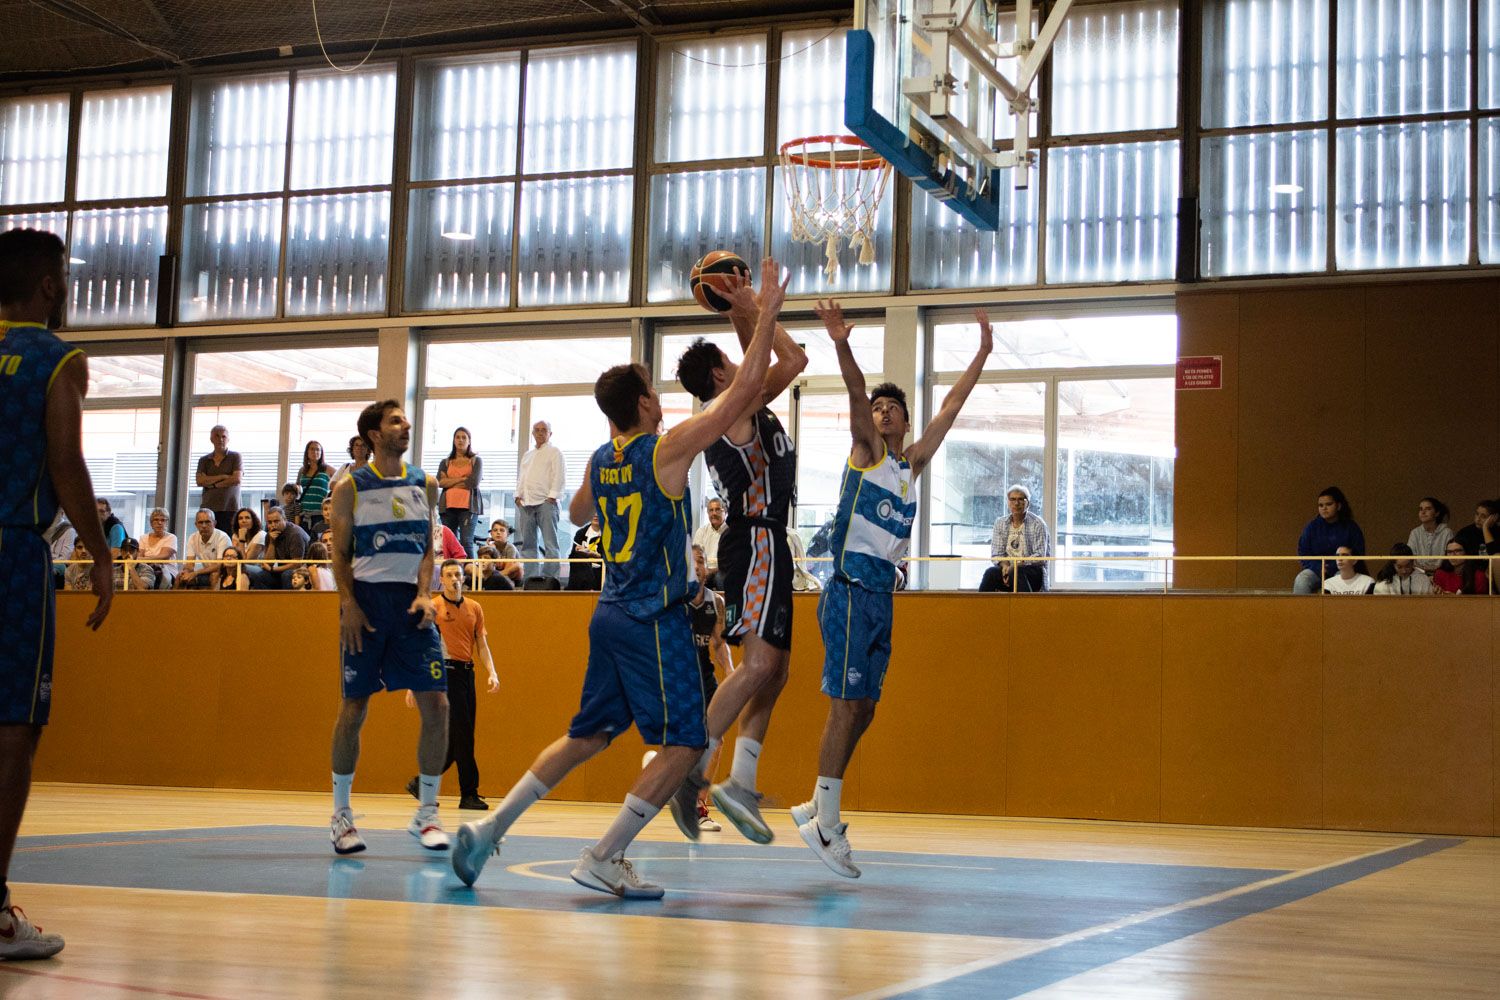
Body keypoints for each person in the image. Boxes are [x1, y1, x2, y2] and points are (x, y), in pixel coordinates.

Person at [452, 256, 785, 899]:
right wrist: (763, 312)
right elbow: (742, 396)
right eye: (655, 395)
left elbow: (578, 511)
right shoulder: (667, 448)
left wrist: (608, 470)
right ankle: (606, 854)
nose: (664, 402)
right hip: (650, 619)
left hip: (606, 614)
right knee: (686, 746)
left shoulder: (603, 458)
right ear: (641, 404)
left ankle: (491, 830)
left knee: (588, 735)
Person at [789, 299, 992, 880]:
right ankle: (827, 820)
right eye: (876, 408)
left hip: (884, 596)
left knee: (868, 708)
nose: (879, 412)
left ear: (905, 420)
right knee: (845, 705)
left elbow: (952, 405)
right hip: (850, 587)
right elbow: (855, 394)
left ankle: (816, 801)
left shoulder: (911, 464)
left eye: (890, 408)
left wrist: (980, 352)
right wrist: (842, 343)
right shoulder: (867, 453)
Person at [0, 227, 114, 960]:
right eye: (65, 276)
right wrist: (101, 555)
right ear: (49, 285)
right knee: (14, 729)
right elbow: (66, 463)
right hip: (11, 550)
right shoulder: (55, 358)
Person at [670, 266, 808, 846]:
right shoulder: (734, 406)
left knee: (774, 670)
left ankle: (738, 781)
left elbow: (790, 360)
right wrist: (759, 305)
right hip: (754, 540)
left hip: (766, 539)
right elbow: (786, 360)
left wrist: (739, 304)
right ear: (720, 374)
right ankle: (689, 770)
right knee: (756, 666)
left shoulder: (740, 399)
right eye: (731, 356)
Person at [328, 399, 450, 856]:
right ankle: (341, 816)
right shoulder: (350, 487)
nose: (406, 425)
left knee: (437, 705)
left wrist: (425, 592)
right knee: (354, 709)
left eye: (405, 419)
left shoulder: (426, 483)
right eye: (396, 421)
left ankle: (428, 813)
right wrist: (349, 605)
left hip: (412, 607)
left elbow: (426, 548)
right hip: (366, 606)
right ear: (374, 435)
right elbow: (338, 553)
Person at [406, 560, 499, 812]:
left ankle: (422, 784)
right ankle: (469, 793)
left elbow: (481, 644)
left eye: (458, 574)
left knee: (458, 738)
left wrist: (492, 672)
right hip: (445, 675)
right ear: (442, 580)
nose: (455, 578)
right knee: (463, 736)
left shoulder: (474, 607)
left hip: (467, 674)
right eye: (449, 575)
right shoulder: (434, 607)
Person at [686, 544, 732, 831]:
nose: (699, 566)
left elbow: (719, 644)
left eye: (702, 561)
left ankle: (699, 806)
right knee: (686, 743)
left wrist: (731, 672)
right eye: (693, 562)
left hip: (705, 676)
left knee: (716, 741)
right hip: (679, 678)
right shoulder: (673, 601)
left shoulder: (715, 602)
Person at [514, 420, 566, 579]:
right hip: (526, 503)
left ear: (550, 433)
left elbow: (559, 475)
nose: (540, 432)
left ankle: (551, 580)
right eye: (537, 430)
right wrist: (517, 495)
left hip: (546, 502)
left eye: (544, 430)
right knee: (528, 545)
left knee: (550, 544)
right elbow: (522, 477)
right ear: (532, 433)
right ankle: (531, 579)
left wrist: (552, 496)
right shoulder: (527, 455)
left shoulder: (555, 452)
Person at [1293, 487, 1365, 594]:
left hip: (1343, 570)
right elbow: (1303, 552)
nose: (1324, 508)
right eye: (1320, 505)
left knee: (1339, 581)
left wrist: (1338, 566)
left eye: (1328, 504)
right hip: (1317, 570)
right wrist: (1318, 567)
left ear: (1339, 506)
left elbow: (1358, 552)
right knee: (1302, 579)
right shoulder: (1312, 527)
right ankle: (1302, 610)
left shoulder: (1351, 527)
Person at [979, 485, 1050, 593]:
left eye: (1021, 499)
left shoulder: (1038, 524)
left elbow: (1040, 556)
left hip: (1031, 572)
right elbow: (996, 554)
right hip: (1008, 568)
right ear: (1008, 502)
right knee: (990, 573)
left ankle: (1025, 608)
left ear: (1028, 503)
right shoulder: (1000, 523)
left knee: (1017, 572)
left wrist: (1016, 565)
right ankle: (980, 608)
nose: (1016, 503)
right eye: (1013, 499)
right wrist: (1005, 567)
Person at [437, 427, 483, 558]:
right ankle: (449, 572)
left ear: (469, 441)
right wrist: (463, 478)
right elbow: (440, 482)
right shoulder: (445, 462)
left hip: (468, 507)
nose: (460, 440)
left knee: (466, 541)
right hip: (447, 507)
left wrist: (450, 480)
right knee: (448, 542)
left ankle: (469, 575)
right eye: (457, 437)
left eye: (464, 437)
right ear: (453, 440)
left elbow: (473, 482)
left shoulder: (476, 460)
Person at [244, 506, 309, 589]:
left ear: (284, 519)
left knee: (287, 574)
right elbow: (268, 563)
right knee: (259, 575)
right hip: (281, 569)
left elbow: (296, 564)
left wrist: (273, 569)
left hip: (302, 570)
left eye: (276, 521)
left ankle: (286, 601)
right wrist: (272, 542)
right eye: (270, 522)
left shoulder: (295, 534)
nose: (273, 525)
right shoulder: (270, 535)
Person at [195, 425, 243, 534]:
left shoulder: (235, 456)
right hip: (208, 508)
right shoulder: (204, 460)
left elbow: (236, 479)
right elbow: (200, 481)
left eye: (223, 436)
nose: (220, 439)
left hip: (230, 507)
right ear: (211, 439)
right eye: (217, 436)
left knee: (229, 541)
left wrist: (213, 484)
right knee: (208, 539)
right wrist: (223, 476)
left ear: (228, 439)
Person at [176, 509, 231, 589]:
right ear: (196, 525)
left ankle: (213, 601)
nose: (204, 526)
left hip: (224, 572)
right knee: (180, 576)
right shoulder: (192, 538)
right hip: (206, 572)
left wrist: (196, 573)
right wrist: (186, 571)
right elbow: (190, 564)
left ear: (214, 523)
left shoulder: (223, 537)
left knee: (215, 575)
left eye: (207, 522)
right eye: (201, 522)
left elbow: (219, 565)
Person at [1405, 497, 1452, 573]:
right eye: (1421, 509)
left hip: (1441, 573)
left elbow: (1449, 558)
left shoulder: (1446, 532)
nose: (1423, 512)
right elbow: (1410, 557)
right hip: (1418, 573)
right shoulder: (1415, 533)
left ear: (1437, 513)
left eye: (1428, 509)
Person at [137, 508, 178, 590]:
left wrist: (143, 559)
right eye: (156, 520)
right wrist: (141, 559)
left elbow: (163, 557)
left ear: (167, 523)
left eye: (163, 520)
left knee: (156, 574)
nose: (159, 523)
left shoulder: (171, 537)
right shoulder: (143, 538)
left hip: (166, 570)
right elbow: (139, 556)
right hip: (146, 569)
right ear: (151, 523)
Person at [297, 443, 333, 532]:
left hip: (320, 515)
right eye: (312, 449)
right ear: (307, 452)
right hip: (303, 515)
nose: (315, 452)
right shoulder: (302, 470)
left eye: (318, 449)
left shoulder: (327, 469)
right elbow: (297, 490)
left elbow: (341, 484)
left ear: (321, 453)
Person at [692, 497, 727, 588]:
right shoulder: (701, 532)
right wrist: (703, 570)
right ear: (707, 513)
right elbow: (695, 556)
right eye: (711, 510)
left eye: (718, 509)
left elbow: (732, 562)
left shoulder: (731, 532)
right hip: (704, 570)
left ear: (725, 512)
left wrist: (712, 570)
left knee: (720, 578)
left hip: (722, 571)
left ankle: (723, 602)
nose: (714, 513)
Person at [566, 513, 603, 591]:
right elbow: (572, 557)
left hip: (600, 569)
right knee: (576, 557)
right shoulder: (581, 533)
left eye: (599, 511)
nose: (596, 515)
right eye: (593, 512)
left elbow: (612, 558)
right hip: (583, 567)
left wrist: (595, 555)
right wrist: (579, 550)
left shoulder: (610, 534)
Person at [485, 519, 524, 587]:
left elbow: (508, 566)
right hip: (495, 574)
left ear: (507, 534)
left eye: (502, 530)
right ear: (491, 533)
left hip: (511, 576)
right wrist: (491, 549)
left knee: (517, 565)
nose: (498, 533)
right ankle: (494, 579)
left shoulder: (510, 547)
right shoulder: (490, 547)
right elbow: (486, 566)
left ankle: (495, 579)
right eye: (495, 530)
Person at [45, 511, 74, 590]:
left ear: (61, 513)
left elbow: (65, 557)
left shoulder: (68, 529)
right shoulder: (44, 528)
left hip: (57, 565)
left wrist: (49, 564)